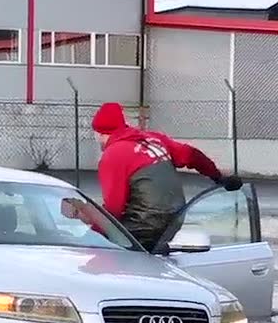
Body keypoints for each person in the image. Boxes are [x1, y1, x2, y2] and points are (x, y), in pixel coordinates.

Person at [80, 102, 242, 252]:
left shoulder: (114, 154)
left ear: (100, 133)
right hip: (173, 221)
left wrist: (93, 235)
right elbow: (192, 155)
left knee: (91, 248)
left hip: (141, 227)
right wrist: (218, 176)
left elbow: (113, 208)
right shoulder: (152, 139)